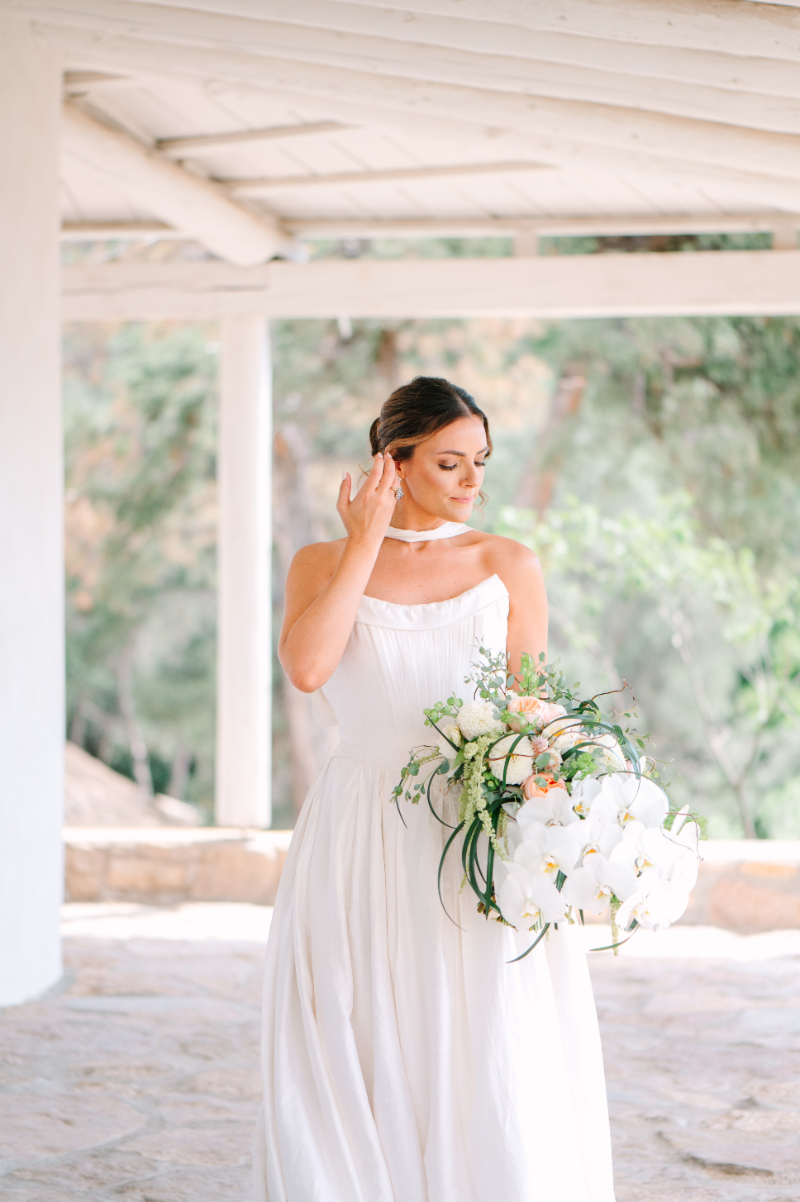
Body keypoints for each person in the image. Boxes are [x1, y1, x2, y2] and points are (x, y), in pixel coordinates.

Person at [254, 376, 616, 1202]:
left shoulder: (507, 564)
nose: (470, 480)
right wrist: (363, 541)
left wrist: (558, 804)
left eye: (479, 462)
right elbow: (309, 669)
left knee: (483, 1026)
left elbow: (532, 709)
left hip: (471, 825)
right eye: (450, 461)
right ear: (394, 460)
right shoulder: (320, 562)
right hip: (359, 826)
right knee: (359, 1023)